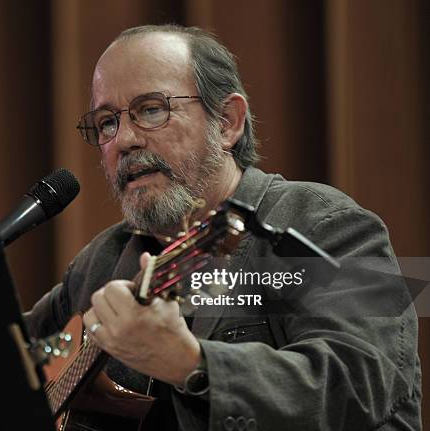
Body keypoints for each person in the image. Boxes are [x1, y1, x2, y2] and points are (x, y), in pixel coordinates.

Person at [24, 24, 421, 430]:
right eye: (107, 121)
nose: (123, 139)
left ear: (228, 121)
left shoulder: (325, 225)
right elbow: (4, 362)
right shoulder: (102, 261)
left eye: (151, 110)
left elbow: (361, 387)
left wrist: (190, 364)